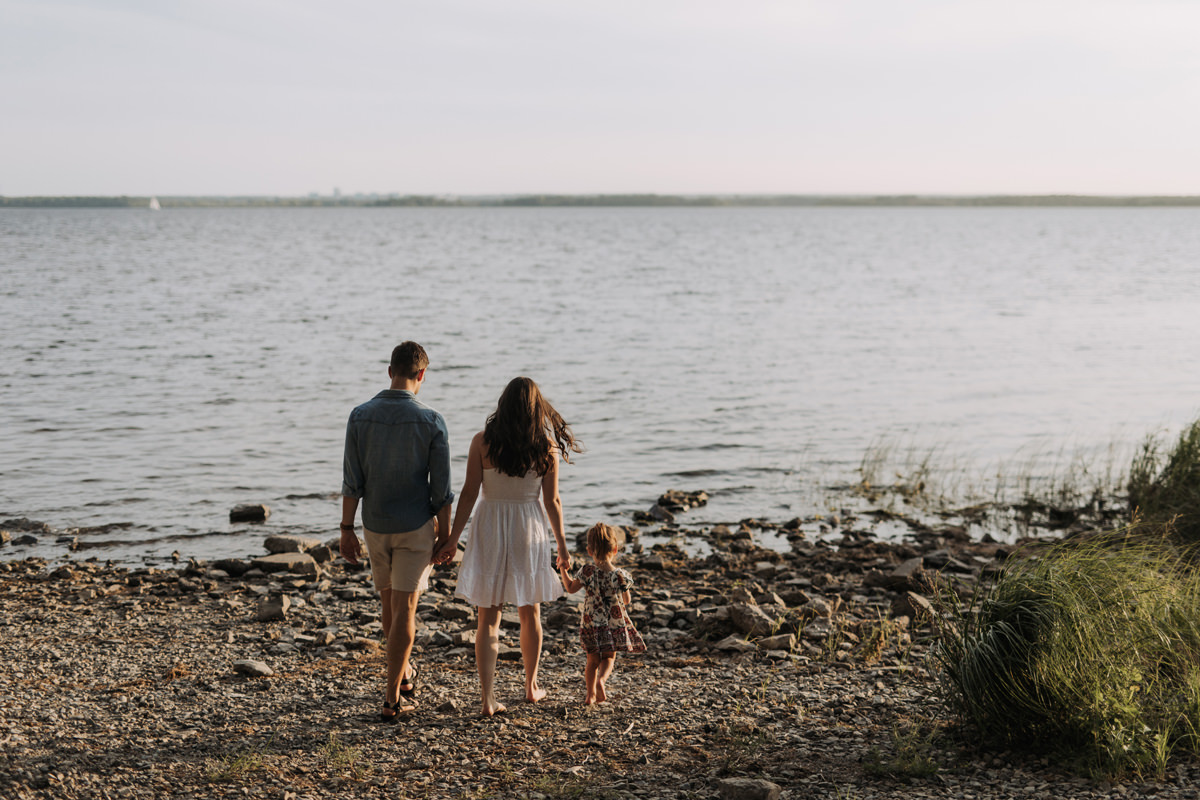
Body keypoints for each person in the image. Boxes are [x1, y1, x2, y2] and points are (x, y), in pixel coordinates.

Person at [434, 377, 581, 717]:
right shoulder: (546, 448)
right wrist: (562, 546)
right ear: (536, 409)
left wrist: (453, 539)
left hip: (490, 525)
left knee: (488, 617)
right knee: (530, 612)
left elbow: (469, 493)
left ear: (503, 404)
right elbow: (553, 501)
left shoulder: (482, 441)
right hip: (528, 527)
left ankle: (488, 699)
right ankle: (531, 686)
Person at [340, 341, 454, 723]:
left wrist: (346, 529)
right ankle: (391, 699)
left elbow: (352, 481)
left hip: (375, 525)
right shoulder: (432, 420)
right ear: (421, 374)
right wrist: (446, 534)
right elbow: (441, 489)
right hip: (414, 526)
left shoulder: (359, 416)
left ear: (390, 371)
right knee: (405, 608)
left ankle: (404, 674)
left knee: (389, 604)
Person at [558, 523, 646, 705]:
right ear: (615, 549)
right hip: (613, 623)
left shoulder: (587, 571)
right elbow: (627, 600)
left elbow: (570, 588)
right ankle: (602, 681)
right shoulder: (620, 575)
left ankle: (590, 695)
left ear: (589, 550)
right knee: (609, 657)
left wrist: (563, 570)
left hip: (591, 623)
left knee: (592, 661)